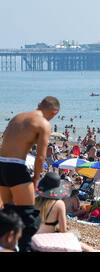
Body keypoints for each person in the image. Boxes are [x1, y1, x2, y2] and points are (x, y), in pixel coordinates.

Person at [0, 96, 60, 251]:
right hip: (15, 166)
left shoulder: (17, 117)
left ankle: (6, 246)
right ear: (54, 113)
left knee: (8, 212)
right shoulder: (44, 124)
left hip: (1, 164)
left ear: (39, 104)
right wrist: (35, 179)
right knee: (29, 217)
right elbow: (40, 157)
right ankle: (24, 248)